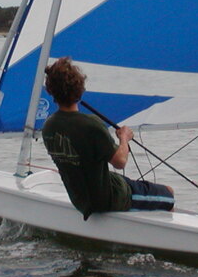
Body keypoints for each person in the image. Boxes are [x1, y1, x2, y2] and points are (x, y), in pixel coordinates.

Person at [41, 57, 174, 220]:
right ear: (80, 89)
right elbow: (120, 162)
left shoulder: (48, 126)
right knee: (169, 193)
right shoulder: (91, 124)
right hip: (107, 200)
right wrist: (124, 138)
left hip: (80, 201)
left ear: (50, 91)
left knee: (127, 181)